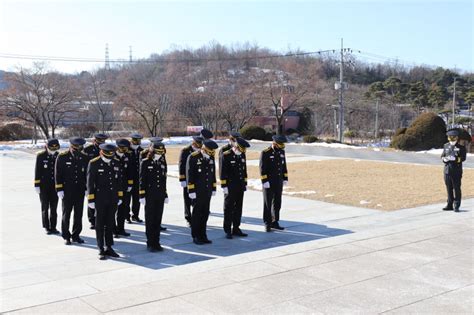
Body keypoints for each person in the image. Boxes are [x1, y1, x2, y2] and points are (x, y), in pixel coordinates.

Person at [87, 143, 123, 260]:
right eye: (108, 155)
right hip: (100, 198)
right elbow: (90, 182)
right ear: (102, 152)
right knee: (100, 224)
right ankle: (100, 247)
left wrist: (120, 196)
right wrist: (91, 199)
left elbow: (119, 181)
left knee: (110, 222)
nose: (110, 157)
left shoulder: (116, 162)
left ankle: (109, 246)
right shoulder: (94, 163)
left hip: (113, 198)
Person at [55, 137, 88, 245]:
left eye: (80, 147)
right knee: (66, 214)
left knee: (78, 215)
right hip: (67, 191)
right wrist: (59, 189)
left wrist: (87, 189)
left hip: (79, 191)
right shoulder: (62, 157)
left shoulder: (84, 157)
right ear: (72, 146)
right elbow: (58, 174)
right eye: (77, 147)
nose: (79, 149)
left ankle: (76, 235)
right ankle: (66, 236)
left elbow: (87, 175)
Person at [139, 140, 169, 252]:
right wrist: (142, 195)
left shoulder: (162, 163)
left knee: (158, 219)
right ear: (152, 151)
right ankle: (150, 243)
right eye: (158, 152)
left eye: (161, 153)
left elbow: (163, 180)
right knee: (150, 220)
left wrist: (165, 194)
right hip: (149, 196)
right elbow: (142, 180)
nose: (160, 154)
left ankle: (157, 242)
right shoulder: (145, 162)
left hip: (160, 195)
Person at [186, 139, 218, 245]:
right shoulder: (193, 157)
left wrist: (213, 188)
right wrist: (191, 190)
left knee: (205, 214)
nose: (210, 154)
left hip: (207, 191)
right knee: (196, 215)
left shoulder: (211, 157)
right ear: (204, 149)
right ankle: (196, 236)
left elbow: (212, 174)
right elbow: (190, 175)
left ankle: (203, 235)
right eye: (209, 152)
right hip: (197, 191)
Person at [220, 137, 250, 239]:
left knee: (238, 208)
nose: (242, 151)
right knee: (229, 208)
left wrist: (245, 183)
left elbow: (244, 170)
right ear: (236, 147)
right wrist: (224, 186)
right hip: (230, 187)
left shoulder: (242, 154)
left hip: (240, 186)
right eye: (241, 149)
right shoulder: (226, 155)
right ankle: (227, 229)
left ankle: (236, 228)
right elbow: (222, 172)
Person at [259, 135, 288, 232]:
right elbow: (262, 169)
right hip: (269, 182)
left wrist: (285, 178)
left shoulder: (281, 152)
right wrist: (264, 181)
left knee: (277, 202)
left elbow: (284, 166)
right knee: (267, 203)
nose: (282, 146)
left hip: (278, 181)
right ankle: (267, 223)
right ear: (275, 143)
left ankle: (275, 222)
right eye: (280, 144)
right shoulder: (265, 153)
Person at [34, 138, 60, 234]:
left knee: (54, 207)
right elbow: (37, 171)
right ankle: (46, 226)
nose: (53, 150)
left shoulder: (58, 155)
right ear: (47, 146)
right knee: (45, 207)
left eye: (55, 148)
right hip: (43, 186)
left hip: (55, 187)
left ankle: (53, 226)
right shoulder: (41, 156)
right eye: (51, 148)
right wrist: (36, 184)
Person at [83, 133, 109, 230]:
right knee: (91, 199)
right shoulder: (88, 150)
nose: (101, 142)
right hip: (91, 177)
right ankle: (92, 220)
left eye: (103, 140)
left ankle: (103, 219)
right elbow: (84, 165)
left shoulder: (106, 149)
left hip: (103, 178)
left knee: (103, 200)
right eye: (100, 140)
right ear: (96, 140)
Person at [178, 135, 204, 226]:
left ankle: (196, 217)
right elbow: (181, 165)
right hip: (187, 179)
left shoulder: (201, 151)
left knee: (196, 200)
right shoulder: (185, 151)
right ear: (194, 143)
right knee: (187, 199)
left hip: (198, 179)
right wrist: (182, 179)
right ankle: (188, 218)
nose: (199, 146)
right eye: (198, 144)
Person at [441, 129, 467, 212]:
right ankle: (449, 204)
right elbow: (442, 155)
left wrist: (455, 159)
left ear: (456, 138)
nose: (452, 140)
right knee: (449, 188)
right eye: (450, 138)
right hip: (447, 171)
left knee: (456, 188)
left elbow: (463, 158)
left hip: (456, 171)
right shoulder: (446, 146)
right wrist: (444, 159)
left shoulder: (461, 148)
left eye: (453, 138)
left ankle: (456, 204)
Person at [114, 138, 133, 237]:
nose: (125, 150)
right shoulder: (111, 156)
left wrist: (130, 184)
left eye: (126, 148)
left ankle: (121, 229)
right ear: (118, 147)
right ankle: (113, 230)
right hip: (113, 187)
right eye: (123, 148)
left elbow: (130, 171)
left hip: (124, 187)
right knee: (112, 210)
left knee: (123, 208)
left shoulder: (128, 156)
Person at [128, 133, 144, 223]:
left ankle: (135, 215)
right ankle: (127, 216)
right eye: (136, 140)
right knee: (127, 199)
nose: (138, 142)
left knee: (136, 199)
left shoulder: (141, 151)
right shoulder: (127, 150)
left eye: (139, 141)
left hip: (138, 179)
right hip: (128, 179)